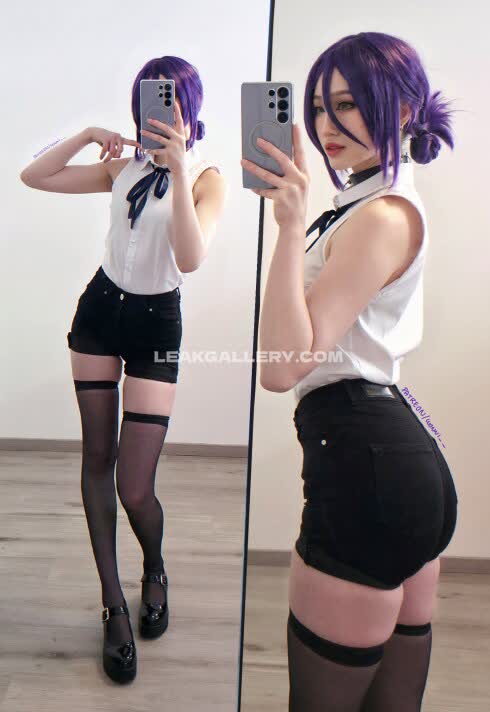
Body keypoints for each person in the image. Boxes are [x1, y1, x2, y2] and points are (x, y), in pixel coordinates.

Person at [241, 32, 459, 711]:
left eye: (347, 104)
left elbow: (282, 367)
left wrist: (287, 229)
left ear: (402, 110)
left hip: (365, 466)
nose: (326, 125)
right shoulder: (367, 205)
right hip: (394, 457)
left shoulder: (381, 216)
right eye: (316, 107)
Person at [20, 55, 226, 684]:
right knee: (97, 460)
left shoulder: (207, 179)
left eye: (168, 103)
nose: (154, 115)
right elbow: (35, 175)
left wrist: (180, 166)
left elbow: (189, 258)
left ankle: (154, 567)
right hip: (100, 312)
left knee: (135, 486)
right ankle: (112, 603)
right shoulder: (121, 167)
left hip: (157, 324)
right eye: (146, 103)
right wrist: (88, 134)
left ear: (190, 109)